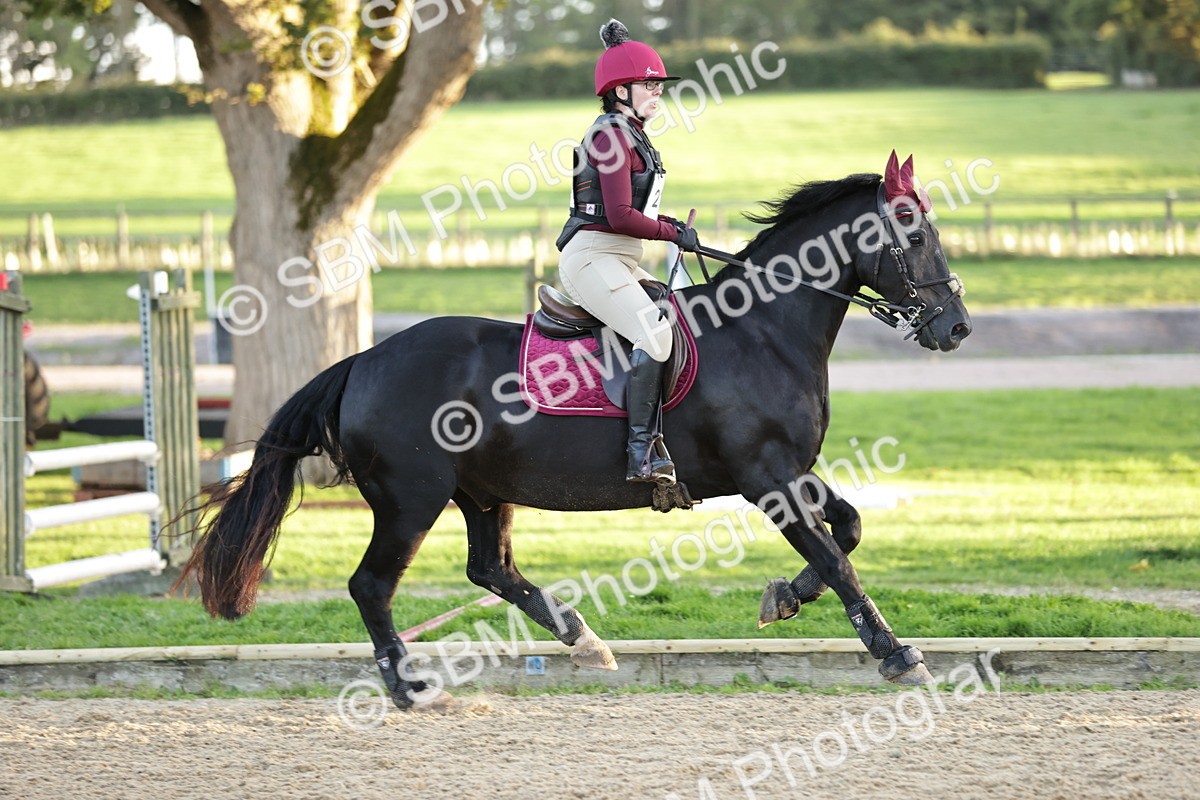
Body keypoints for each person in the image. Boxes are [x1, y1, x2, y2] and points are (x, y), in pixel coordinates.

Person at [555, 19, 702, 487]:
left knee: (678, 317)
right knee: (655, 334)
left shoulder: (633, 133)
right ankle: (640, 451)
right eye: (649, 85)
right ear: (620, 90)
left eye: (660, 86)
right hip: (592, 256)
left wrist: (670, 227)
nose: (658, 94)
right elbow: (618, 216)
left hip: (620, 258)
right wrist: (671, 232)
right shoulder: (611, 137)